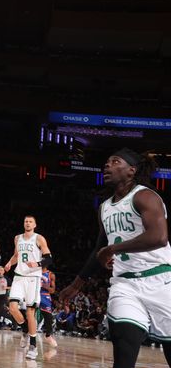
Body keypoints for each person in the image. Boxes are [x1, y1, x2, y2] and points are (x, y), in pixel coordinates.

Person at [59, 149, 171, 368]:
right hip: (124, 284)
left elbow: (158, 237)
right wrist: (76, 284)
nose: (107, 166)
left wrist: (113, 249)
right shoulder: (104, 207)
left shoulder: (145, 195)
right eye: (106, 162)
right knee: (123, 346)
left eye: (115, 161)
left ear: (132, 170)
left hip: (161, 280)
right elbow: (99, 249)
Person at [3, 215, 53, 361]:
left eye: (30, 221)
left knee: (30, 312)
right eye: (26, 221)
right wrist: (8, 263)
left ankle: (33, 346)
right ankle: (25, 328)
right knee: (12, 308)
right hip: (19, 275)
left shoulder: (39, 238)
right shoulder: (17, 238)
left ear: (35, 224)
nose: (28, 223)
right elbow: (16, 255)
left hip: (33, 278)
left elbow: (49, 258)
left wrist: (37, 264)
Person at [39, 264, 58, 348]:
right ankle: (28, 335)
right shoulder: (34, 272)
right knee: (29, 314)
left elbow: (53, 290)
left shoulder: (50, 274)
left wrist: (44, 286)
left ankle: (48, 336)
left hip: (44, 295)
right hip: (34, 294)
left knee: (48, 318)